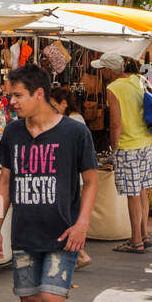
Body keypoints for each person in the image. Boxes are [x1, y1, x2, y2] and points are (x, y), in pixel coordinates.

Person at [0, 66, 97, 302]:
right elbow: (4, 182)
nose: (12, 102)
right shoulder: (13, 133)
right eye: (11, 95)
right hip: (25, 233)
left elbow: (91, 181)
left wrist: (82, 225)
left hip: (63, 234)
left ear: (39, 94)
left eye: (18, 95)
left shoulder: (74, 133)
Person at [95, 53, 152, 254]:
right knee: (142, 190)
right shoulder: (140, 79)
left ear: (110, 70)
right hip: (147, 141)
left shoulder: (114, 88)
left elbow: (115, 123)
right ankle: (144, 233)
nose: (101, 72)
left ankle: (136, 240)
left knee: (132, 194)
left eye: (103, 68)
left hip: (128, 145)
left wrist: (115, 147)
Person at [48, 87, 92, 270]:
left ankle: (80, 253)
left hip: (73, 176)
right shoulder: (75, 120)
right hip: (75, 176)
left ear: (63, 103)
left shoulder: (72, 123)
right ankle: (80, 253)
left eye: (53, 105)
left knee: (69, 216)